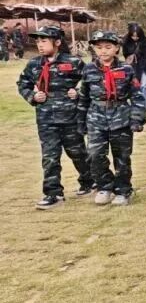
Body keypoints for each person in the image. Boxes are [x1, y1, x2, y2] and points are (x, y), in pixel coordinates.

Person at [16, 25, 94, 210]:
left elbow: (91, 81)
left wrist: (78, 92)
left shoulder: (73, 62)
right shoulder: (34, 64)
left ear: (57, 42)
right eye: (37, 41)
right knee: (50, 156)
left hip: (70, 117)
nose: (40, 45)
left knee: (78, 153)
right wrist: (32, 96)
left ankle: (89, 182)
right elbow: (23, 83)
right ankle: (53, 193)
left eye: (44, 41)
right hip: (46, 118)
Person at [78, 30, 146, 206]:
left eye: (108, 47)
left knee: (122, 157)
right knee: (95, 155)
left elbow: (137, 96)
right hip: (96, 118)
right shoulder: (88, 69)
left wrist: (137, 119)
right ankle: (105, 187)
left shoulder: (126, 69)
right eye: (99, 47)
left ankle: (123, 190)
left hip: (121, 118)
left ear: (116, 48)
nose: (103, 51)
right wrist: (81, 121)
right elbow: (84, 97)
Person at [121, 22, 146, 107]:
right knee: (134, 86)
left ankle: (144, 105)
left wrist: (141, 57)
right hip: (132, 67)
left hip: (144, 66)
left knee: (144, 85)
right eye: (133, 36)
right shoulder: (126, 42)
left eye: (137, 36)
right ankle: (135, 105)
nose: (135, 38)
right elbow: (125, 54)